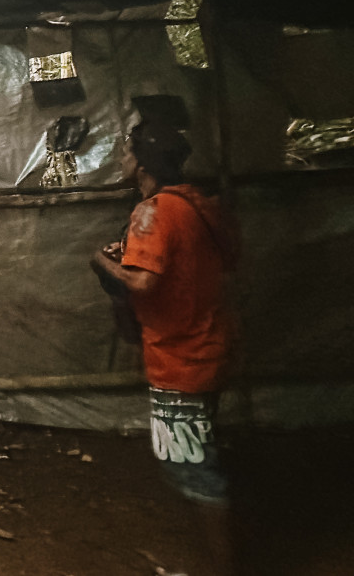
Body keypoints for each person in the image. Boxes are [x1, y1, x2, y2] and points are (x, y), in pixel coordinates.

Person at [91, 121, 239, 573]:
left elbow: (143, 281)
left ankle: (220, 569)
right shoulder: (201, 205)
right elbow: (218, 261)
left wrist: (101, 260)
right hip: (209, 346)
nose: (121, 158)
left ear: (142, 162)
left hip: (178, 360)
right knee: (196, 457)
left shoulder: (152, 211)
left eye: (126, 151)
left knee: (191, 469)